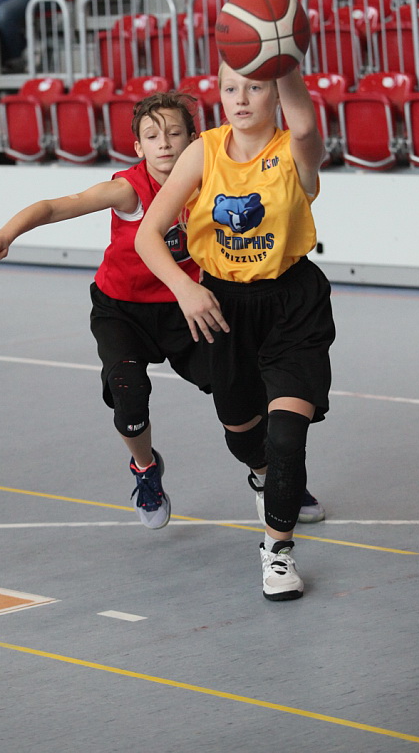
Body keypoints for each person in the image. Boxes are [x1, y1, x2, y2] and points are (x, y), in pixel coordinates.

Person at [0, 91, 325, 532]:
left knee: (240, 398)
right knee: (129, 393)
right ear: (138, 146)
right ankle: (145, 468)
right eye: (152, 136)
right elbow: (55, 206)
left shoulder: (215, 179)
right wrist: (5, 234)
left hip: (187, 310)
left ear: (194, 139)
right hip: (124, 311)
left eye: (174, 133)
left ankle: (272, 477)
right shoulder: (129, 190)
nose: (164, 144)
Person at [135, 64, 335, 601]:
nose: (241, 98)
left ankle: (278, 551)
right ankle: (265, 475)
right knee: (243, 433)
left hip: (292, 303)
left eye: (255, 86)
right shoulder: (203, 151)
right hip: (225, 306)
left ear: (275, 92)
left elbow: (307, 127)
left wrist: (284, 55)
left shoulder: (295, 149)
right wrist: (184, 287)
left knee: (288, 435)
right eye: (230, 88)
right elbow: (148, 234)